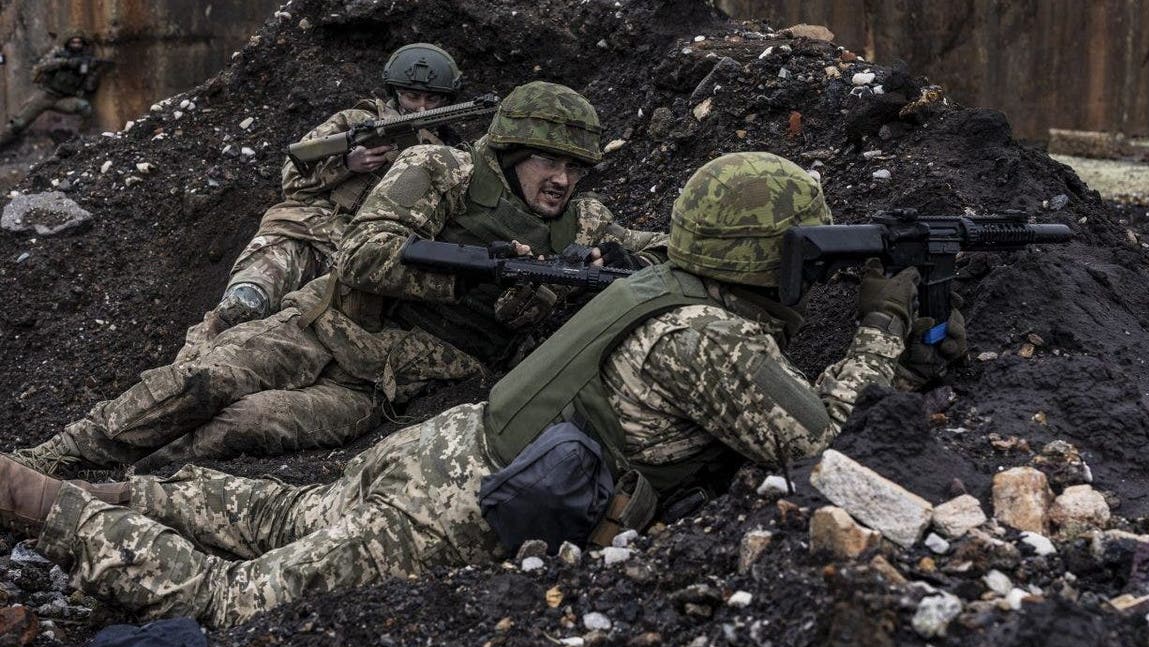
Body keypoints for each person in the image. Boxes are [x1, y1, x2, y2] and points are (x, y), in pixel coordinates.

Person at [0, 152, 966, 627]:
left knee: (285, 516)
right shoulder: (706, 338)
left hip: (439, 452)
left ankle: (135, 492)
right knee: (239, 597)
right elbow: (818, 441)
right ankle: (45, 502)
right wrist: (882, 324)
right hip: (458, 509)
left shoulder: (663, 281)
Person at [10, 81, 666, 474]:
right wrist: (476, 275)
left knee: (243, 425)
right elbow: (364, 252)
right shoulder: (443, 172)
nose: (562, 178)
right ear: (514, 151)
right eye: (551, 160)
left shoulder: (583, 223)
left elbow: (658, 248)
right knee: (204, 378)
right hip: (325, 325)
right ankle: (50, 460)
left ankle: (108, 492)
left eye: (576, 167)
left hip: (384, 386)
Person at [177, 43, 466, 360]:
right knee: (241, 306)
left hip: (357, 258)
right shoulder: (356, 122)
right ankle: (181, 376)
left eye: (432, 99)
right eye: (413, 97)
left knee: (283, 343)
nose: (422, 109)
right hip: (303, 231)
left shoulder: (452, 157)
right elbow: (293, 177)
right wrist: (346, 164)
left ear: (447, 100)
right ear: (395, 93)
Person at [0, 31, 107, 147]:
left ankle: (82, 141)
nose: (76, 45)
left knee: (85, 107)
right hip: (45, 95)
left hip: (63, 100)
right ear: (68, 43)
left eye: (79, 42)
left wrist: (93, 71)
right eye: (73, 42)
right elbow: (43, 66)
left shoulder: (84, 62)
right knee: (18, 124)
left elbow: (89, 87)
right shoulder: (58, 53)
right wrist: (66, 63)